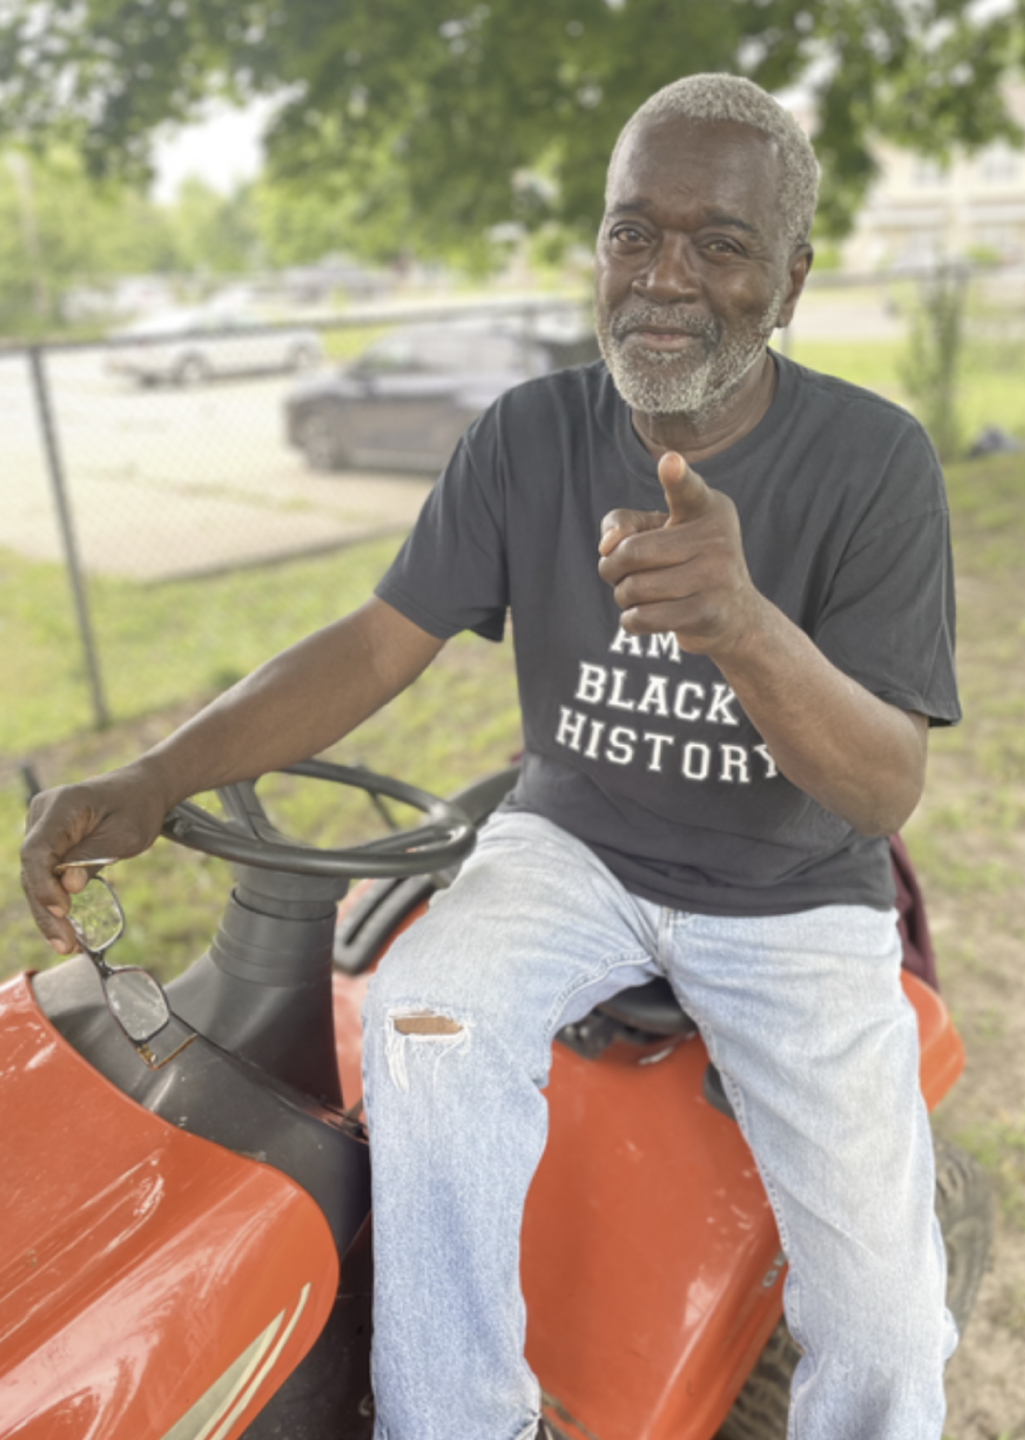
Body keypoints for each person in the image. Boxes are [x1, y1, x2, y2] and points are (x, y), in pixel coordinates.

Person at [21, 74, 960, 1440]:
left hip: (793, 899)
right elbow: (372, 645)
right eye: (631, 233)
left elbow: (883, 788)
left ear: (794, 276)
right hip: (572, 848)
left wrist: (746, 626)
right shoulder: (529, 436)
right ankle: (461, 1417)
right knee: (423, 1015)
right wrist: (157, 776)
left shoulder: (876, 464)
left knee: (882, 1323)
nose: (662, 278)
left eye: (720, 243)